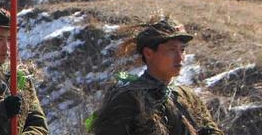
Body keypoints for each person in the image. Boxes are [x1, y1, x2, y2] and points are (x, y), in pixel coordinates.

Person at [90, 17, 224, 135]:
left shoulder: (188, 96)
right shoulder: (128, 98)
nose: (180, 57)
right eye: (172, 50)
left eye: (182, 50)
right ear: (148, 53)